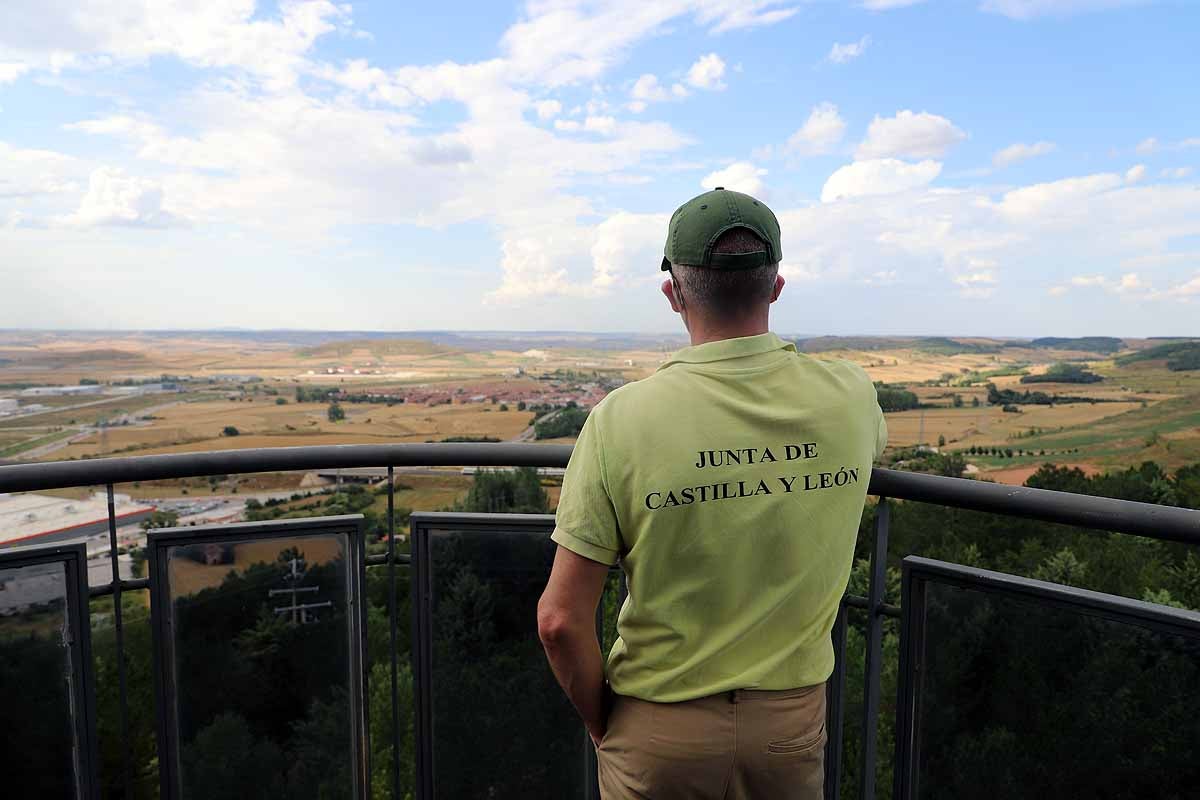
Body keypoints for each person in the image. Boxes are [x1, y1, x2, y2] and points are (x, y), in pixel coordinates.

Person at [537, 187, 887, 799]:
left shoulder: (622, 421)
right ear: (776, 286)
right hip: (790, 726)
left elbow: (560, 621)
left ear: (672, 293)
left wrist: (606, 726)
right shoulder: (850, 397)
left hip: (658, 727)